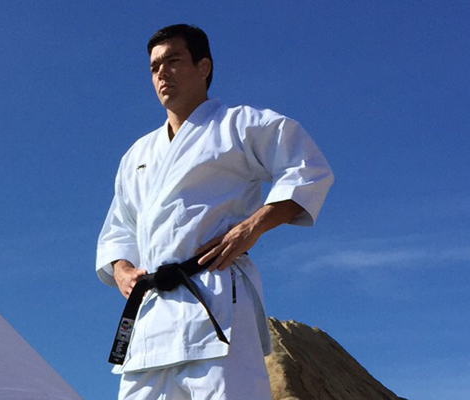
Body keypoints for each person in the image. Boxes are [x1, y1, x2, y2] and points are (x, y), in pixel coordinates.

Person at [96, 24, 334, 399]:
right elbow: (119, 228)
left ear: (203, 67)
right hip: (151, 316)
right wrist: (121, 268)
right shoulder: (137, 155)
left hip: (214, 301)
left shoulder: (238, 124)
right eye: (154, 67)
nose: (161, 73)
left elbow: (307, 167)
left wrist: (253, 227)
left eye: (173, 61)